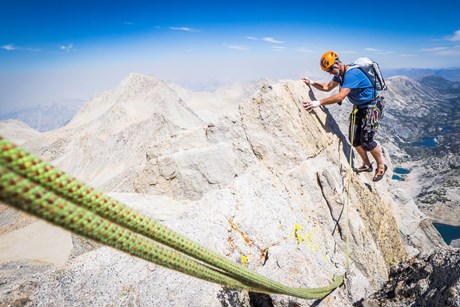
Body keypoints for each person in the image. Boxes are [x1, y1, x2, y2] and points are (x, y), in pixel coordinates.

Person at [302, 51, 387, 182]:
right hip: (360, 108)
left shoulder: (352, 74)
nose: (330, 72)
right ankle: (367, 164)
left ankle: (381, 166)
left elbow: (340, 96)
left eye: (331, 69)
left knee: (367, 141)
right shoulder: (340, 75)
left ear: (337, 63)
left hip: (371, 108)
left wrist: (317, 103)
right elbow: (327, 87)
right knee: (354, 140)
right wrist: (312, 82)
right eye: (328, 71)